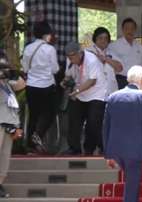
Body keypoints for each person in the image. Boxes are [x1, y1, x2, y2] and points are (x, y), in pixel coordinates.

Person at [103, 65, 142, 202]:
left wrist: (107, 153)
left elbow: (106, 127)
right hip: (134, 150)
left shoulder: (113, 97)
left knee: (130, 186)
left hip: (115, 149)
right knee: (132, 190)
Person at [62, 42, 107, 155]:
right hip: (80, 92)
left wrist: (76, 91)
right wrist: (64, 82)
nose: (71, 59)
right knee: (74, 119)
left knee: (93, 122)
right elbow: (69, 75)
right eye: (69, 57)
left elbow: (92, 81)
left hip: (96, 93)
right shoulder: (70, 60)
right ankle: (74, 148)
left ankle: (92, 148)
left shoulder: (91, 60)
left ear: (80, 53)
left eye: (73, 56)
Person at [21, 21, 59, 153]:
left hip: (31, 86)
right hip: (47, 86)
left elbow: (25, 68)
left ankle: (30, 147)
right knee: (49, 113)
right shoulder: (50, 49)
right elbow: (55, 69)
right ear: (46, 35)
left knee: (33, 115)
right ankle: (37, 135)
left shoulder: (27, 48)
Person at [0, 50, 24, 197]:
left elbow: (21, 85)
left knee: (5, 154)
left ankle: (0, 184)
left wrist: (12, 74)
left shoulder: (7, 82)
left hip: (10, 121)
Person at [108, 18, 142, 89]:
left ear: (135, 30)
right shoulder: (114, 45)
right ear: (122, 29)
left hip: (136, 81)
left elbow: (141, 65)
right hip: (121, 80)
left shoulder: (139, 46)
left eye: (132, 28)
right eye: (127, 28)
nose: (129, 31)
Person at [87, 27, 122, 97]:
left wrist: (106, 59)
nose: (103, 40)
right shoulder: (88, 52)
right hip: (94, 94)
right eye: (100, 38)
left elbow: (120, 68)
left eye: (106, 38)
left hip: (111, 92)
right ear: (95, 39)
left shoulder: (112, 53)